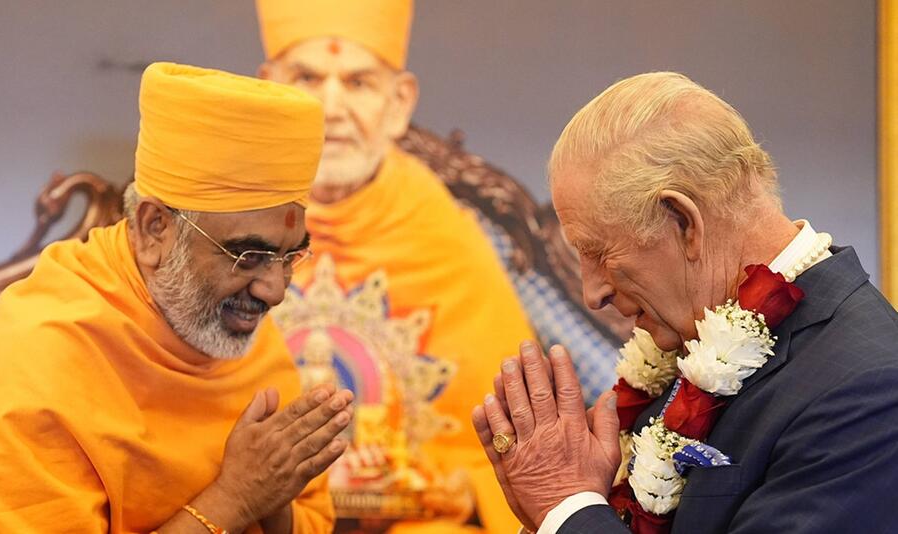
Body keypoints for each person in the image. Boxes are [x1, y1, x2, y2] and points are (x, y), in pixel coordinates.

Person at [472, 72, 898, 533]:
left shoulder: (869, 389)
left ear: (683, 222)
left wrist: (567, 509)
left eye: (598, 252)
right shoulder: (689, 354)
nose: (592, 293)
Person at [0, 62, 355, 534]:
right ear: (154, 229)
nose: (275, 291)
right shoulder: (32, 362)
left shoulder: (239, 334)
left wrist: (272, 496)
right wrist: (234, 499)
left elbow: (304, 516)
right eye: (247, 255)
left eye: (290, 256)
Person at [253, 1, 536, 532]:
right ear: (269, 87)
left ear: (399, 101)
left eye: (358, 83)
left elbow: (511, 440)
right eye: (308, 77)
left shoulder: (443, 236)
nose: (331, 107)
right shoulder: (223, 215)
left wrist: (435, 485)